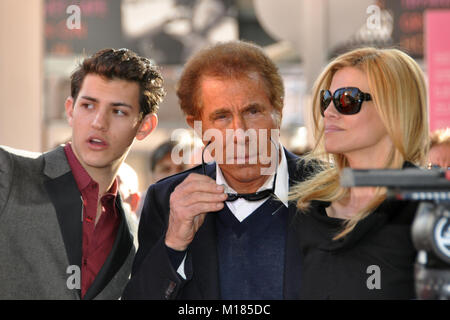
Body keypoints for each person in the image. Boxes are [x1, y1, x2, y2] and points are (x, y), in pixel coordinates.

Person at [122, 40, 311, 299]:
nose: (240, 134)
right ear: (197, 126)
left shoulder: (329, 190)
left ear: (278, 109)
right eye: (222, 117)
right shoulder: (166, 201)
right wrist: (174, 243)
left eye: (253, 111)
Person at [0, 48, 165, 299]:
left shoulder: (132, 232)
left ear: (144, 126)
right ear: (70, 110)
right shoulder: (9, 172)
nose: (99, 122)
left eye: (118, 111)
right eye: (88, 105)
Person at [290, 47, 429, 299]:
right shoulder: (308, 207)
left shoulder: (427, 207)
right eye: (326, 99)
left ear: (393, 109)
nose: (329, 112)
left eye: (347, 100)